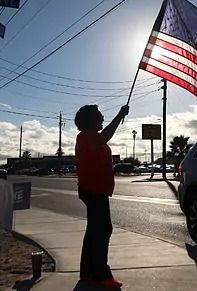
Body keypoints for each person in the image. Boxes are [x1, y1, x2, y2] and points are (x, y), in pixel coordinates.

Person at [74, 104, 129, 289]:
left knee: (94, 231)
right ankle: (101, 274)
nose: (102, 117)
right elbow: (105, 136)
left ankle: (88, 272)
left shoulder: (88, 137)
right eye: (99, 115)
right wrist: (120, 114)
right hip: (94, 190)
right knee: (102, 230)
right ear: (89, 120)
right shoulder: (87, 137)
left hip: (95, 190)